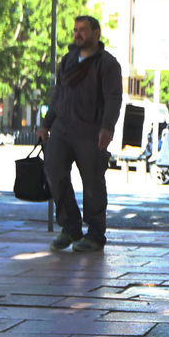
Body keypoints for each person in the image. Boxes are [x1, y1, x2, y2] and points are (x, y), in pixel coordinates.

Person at [38, 15, 123, 252]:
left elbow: (113, 99)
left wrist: (107, 128)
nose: (77, 34)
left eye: (82, 30)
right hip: (62, 130)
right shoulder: (67, 60)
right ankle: (70, 227)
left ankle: (95, 235)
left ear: (96, 33)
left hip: (91, 132)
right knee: (54, 172)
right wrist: (46, 124)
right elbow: (58, 95)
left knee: (93, 184)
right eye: (75, 29)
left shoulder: (108, 64)